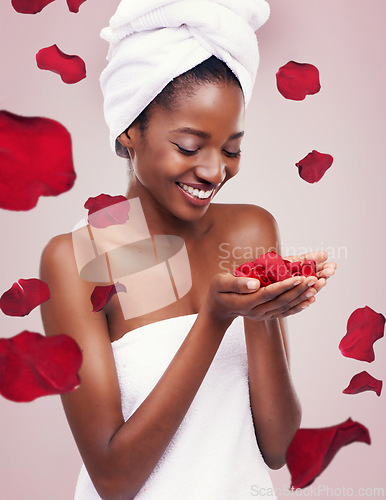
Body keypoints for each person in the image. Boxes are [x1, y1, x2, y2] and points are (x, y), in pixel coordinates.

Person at [40, 1, 337, 499]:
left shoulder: (250, 229)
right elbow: (114, 479)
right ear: (130, 130)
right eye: (189, 146)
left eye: (231, 149)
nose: (214, 171)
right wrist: (214, 319)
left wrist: (261, 315)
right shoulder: (82, 257)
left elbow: (277, 447)